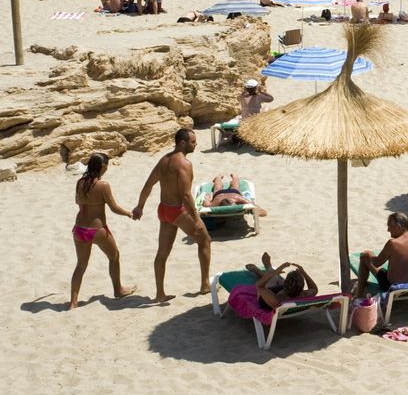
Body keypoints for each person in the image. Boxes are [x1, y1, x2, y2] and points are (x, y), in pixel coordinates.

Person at [131, 129, 212, 302]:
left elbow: (148, 185)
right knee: (204, 241)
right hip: (178, 211)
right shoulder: (184, 163)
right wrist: (196, 219)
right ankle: (205, 284)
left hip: (163, 210)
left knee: (162, 253)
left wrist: (140, 206)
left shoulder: (164, 160)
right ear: (182, 143)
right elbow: (185, 195)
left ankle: (160, 293)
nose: (195, 144)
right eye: (192, 141)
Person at [69, 153, 136, 309]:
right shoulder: (103, 185)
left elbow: (78, 202)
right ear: (103, 166)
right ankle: (118, 290)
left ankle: (73, 302)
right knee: (114, 256)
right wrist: (128, 213)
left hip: (79, 229)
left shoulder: (80, 183)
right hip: (97, 229)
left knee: (81, 265)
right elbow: (114, 208)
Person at [354, 212, 408, 299]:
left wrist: (370, 255)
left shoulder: (392, 243)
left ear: (399, 226)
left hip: (393, 287)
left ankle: (358, 296)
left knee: (364, 258)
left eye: (389, 226)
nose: (388, 230)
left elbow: (377, 263)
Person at [200, 173, 268, 216]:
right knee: (235, 186)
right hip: (232, 193)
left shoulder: (216, 202)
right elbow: (254, 206)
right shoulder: (237, 198)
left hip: (221, 194)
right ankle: (234, 177)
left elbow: (206, 204)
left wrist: (207, 198)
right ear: (234, 202)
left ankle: (218, 178)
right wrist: (259, 210)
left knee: (218, 187)